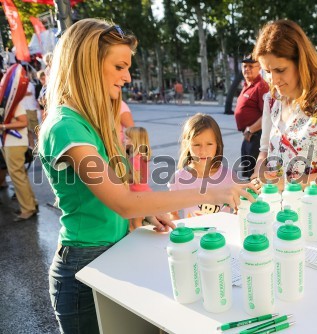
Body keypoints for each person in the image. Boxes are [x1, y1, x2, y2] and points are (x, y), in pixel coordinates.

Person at [37, 19, 253, 334]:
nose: (127, 77)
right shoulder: (65, 126)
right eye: (120, 66)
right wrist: (209, 192)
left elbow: (118, 192)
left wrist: (149, 210)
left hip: (112, 254)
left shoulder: (88, 122)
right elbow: (123, 202)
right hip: (82, 268)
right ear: (87, 64)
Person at [250, 19, 317, 191]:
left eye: (280, 70)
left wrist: (287, 184)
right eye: (267, 71)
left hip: (311, 214)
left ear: (301, 63)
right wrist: (259, 174)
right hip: (273, 210)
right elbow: (265, 151)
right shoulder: (271, 100)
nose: (273, 80)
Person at [168, 113, 236, 219]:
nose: (203, 151)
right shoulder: (178, 178)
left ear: (218, 144)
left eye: (209, 144)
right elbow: (172, 214)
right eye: (196, 145)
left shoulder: (229, 176)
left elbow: (239, 209)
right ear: (187, 145)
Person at [1, 90, 39, 221]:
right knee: (20, 174)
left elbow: (24, 122)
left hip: (14, 143)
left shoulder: (12, 104)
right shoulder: (6, 104)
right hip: (10, 143)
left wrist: (4, 126)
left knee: (17, 175)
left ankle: (27, 208)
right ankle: (31, 204)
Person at [234, 54, 269, 179]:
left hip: (256, 136)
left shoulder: (261, 86)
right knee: (249, 173)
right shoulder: (247, 85)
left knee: (255, 175)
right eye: (244, 66)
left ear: (259, 67)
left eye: (250, 66)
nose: (247, 69)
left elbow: (267, 114)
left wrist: (251, 129)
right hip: (249, 136)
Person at [124, 126, 152, 231]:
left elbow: (136, 178)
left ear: (135, 141)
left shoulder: (134, 159)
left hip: (137, 196)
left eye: (127, 138)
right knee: (136, 223)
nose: (124, 140)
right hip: (143, 193)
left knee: (135, 224)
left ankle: (139, 244)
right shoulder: (141, 157)